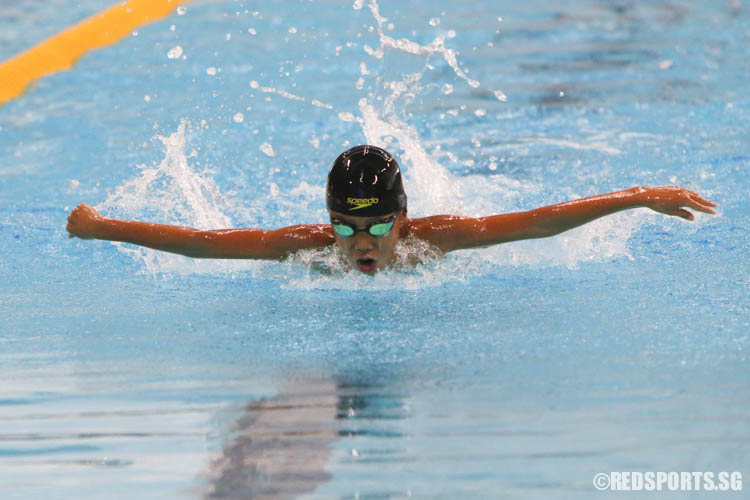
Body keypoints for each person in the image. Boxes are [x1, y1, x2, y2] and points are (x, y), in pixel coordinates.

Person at [66, 144, 718, 274]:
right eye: (347, 227)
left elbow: (541, 221)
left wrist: (639, 197)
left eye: (378, 225)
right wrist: (101, 229)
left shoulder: (437, 241)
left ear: (403, 220)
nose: (361, 242)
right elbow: (204, 243)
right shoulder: (307, 247)